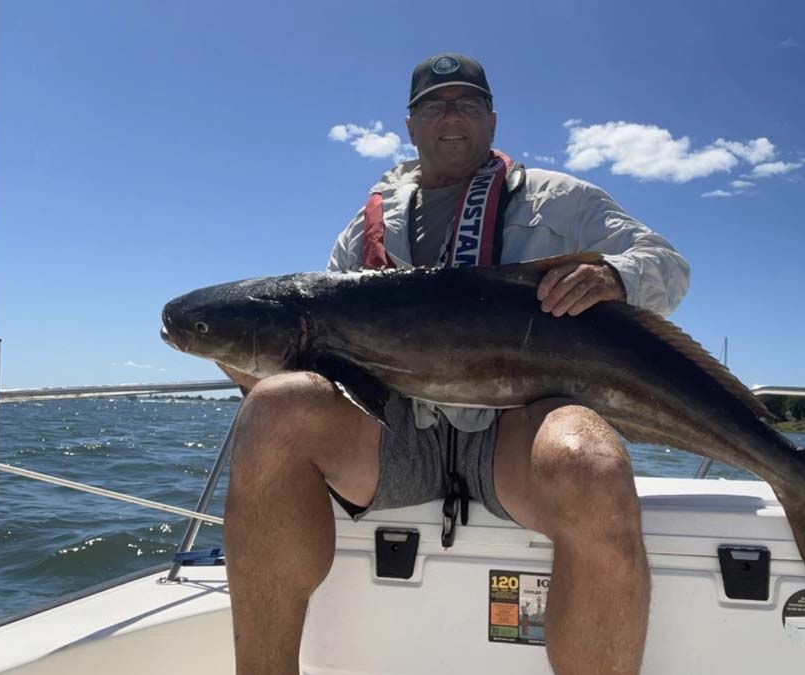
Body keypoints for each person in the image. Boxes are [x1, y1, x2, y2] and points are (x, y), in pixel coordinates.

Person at [219, 53, 690, 675]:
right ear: (410, 125)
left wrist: (617, 275)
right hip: (395, 431)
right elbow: (323, 354)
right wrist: (253, 366)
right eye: (435, 105)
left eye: (468, 103)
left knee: (592, 462)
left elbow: (667, 264)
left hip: (513, 432)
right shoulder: (365, 230)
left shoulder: (561, 199)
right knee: (274, 407)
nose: (452, 116)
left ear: (492, 120)